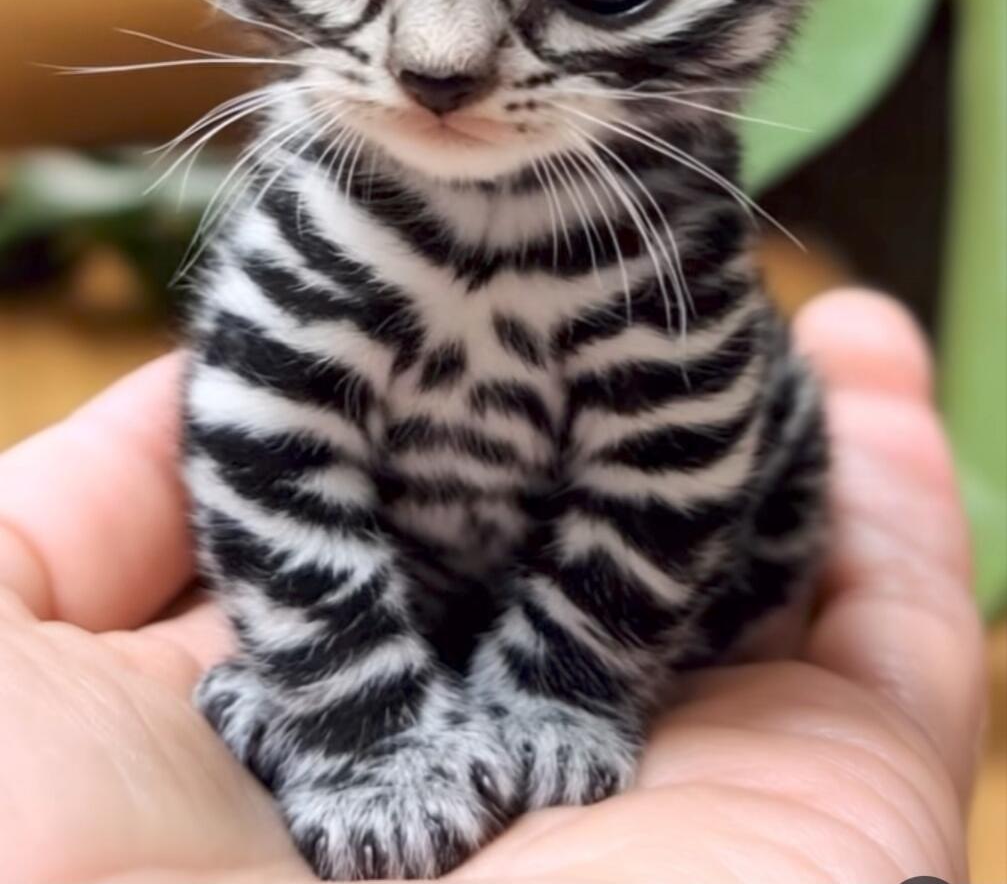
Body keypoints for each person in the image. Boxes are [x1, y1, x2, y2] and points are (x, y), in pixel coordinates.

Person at [0, 290, 982, 884]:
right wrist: (347, 706)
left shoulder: (668, 239)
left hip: (665, 631)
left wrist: (571, 680)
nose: (440, 60)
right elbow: (267, 458)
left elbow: (673, 465)